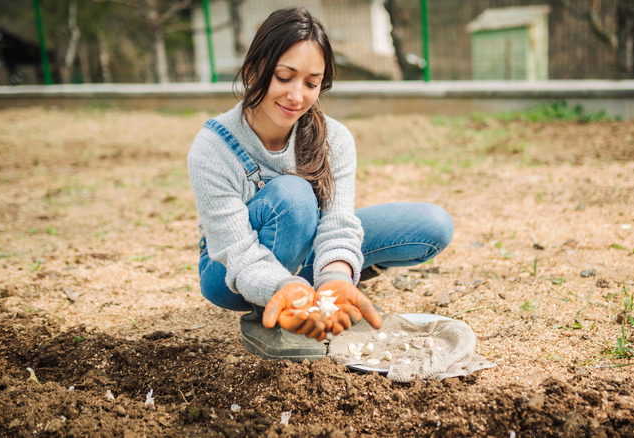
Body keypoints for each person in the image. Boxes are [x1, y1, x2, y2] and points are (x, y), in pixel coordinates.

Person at [187, 6, 453, 362]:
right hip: (230, 270)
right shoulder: (212, 148)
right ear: (254, 71)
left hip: (301, 249)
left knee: (431, 226)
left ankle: (316, 290)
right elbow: (237, 252)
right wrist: (284, 288)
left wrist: (337, 278)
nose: (297, 96)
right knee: (294, 195)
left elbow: (338, 221)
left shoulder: (335, 139)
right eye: (284, 77)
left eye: (311, 83)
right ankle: (274, 309)